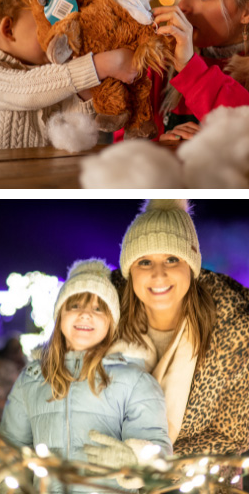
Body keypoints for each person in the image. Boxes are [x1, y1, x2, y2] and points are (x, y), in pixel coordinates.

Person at [86, 199, 249, 464]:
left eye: (172, 259)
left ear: (190, 265)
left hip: (197, 483)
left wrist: (147, 459)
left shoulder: (236, 329)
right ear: (130, 272)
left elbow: (233, 434)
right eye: (145, 262)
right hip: (106, 476)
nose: (159, 275)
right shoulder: (102, 318)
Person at [0, 259, 170, 493]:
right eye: (75, 306)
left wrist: (133, 459)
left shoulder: (135, 381)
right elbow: (8, 452)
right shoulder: (32, 378)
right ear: (60, 316)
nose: (86, 315)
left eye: (98, 309)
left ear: (111, 322)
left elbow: (160, 456)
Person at [0, 0, 139, 149]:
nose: (56, 31)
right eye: (46, 24)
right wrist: (101, 65)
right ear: (8, 29)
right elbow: (24, 90)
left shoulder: (60, 71)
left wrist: (86, 92)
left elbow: (81, 131)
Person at [150, 0, 249, 142]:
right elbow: (122, 142)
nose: (182, 4)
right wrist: (159, 148)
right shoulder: (161, 61)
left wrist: (190, 69)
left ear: (246, 11)